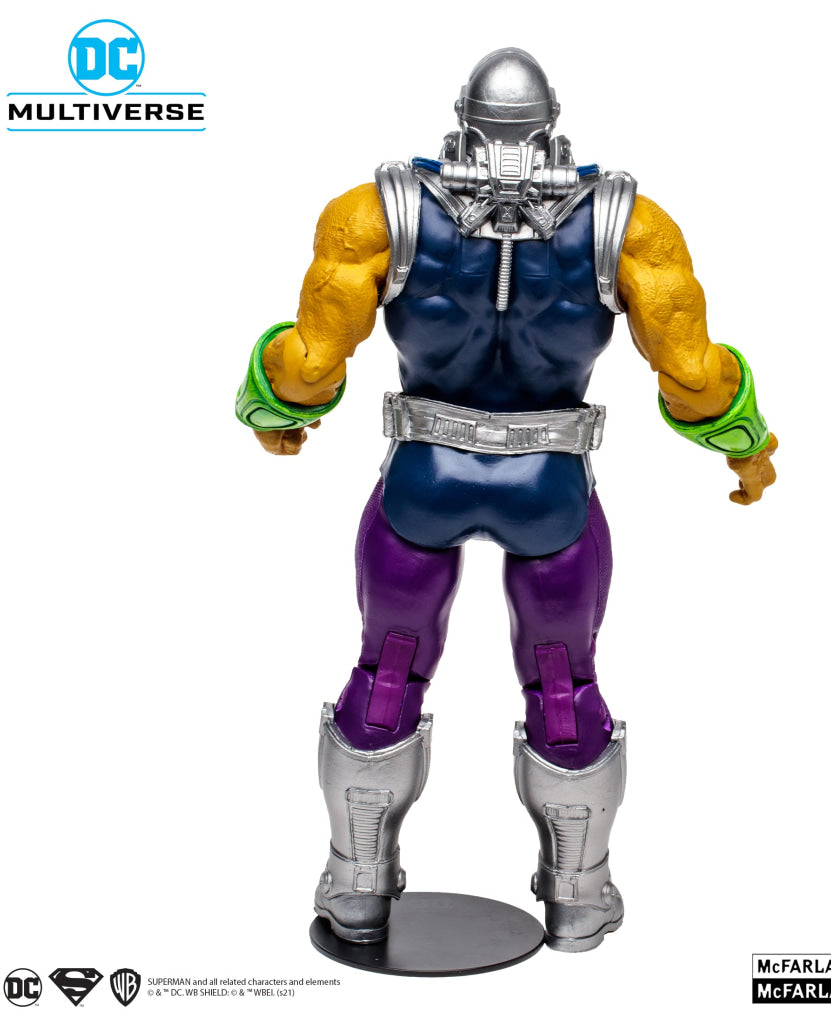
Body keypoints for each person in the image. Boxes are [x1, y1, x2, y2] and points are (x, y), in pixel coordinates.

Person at [236, 48, 778, 953]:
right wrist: (747, 443)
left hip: (424, 480)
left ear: (462, 123)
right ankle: (578, 899)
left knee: (387, 672)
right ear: (552, 127)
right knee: (563, 685)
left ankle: (357, 888)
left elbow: (310, 360)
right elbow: (692, 372)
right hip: (548, 490)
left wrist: (272, 408)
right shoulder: (627, 225)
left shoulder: (378, 213)